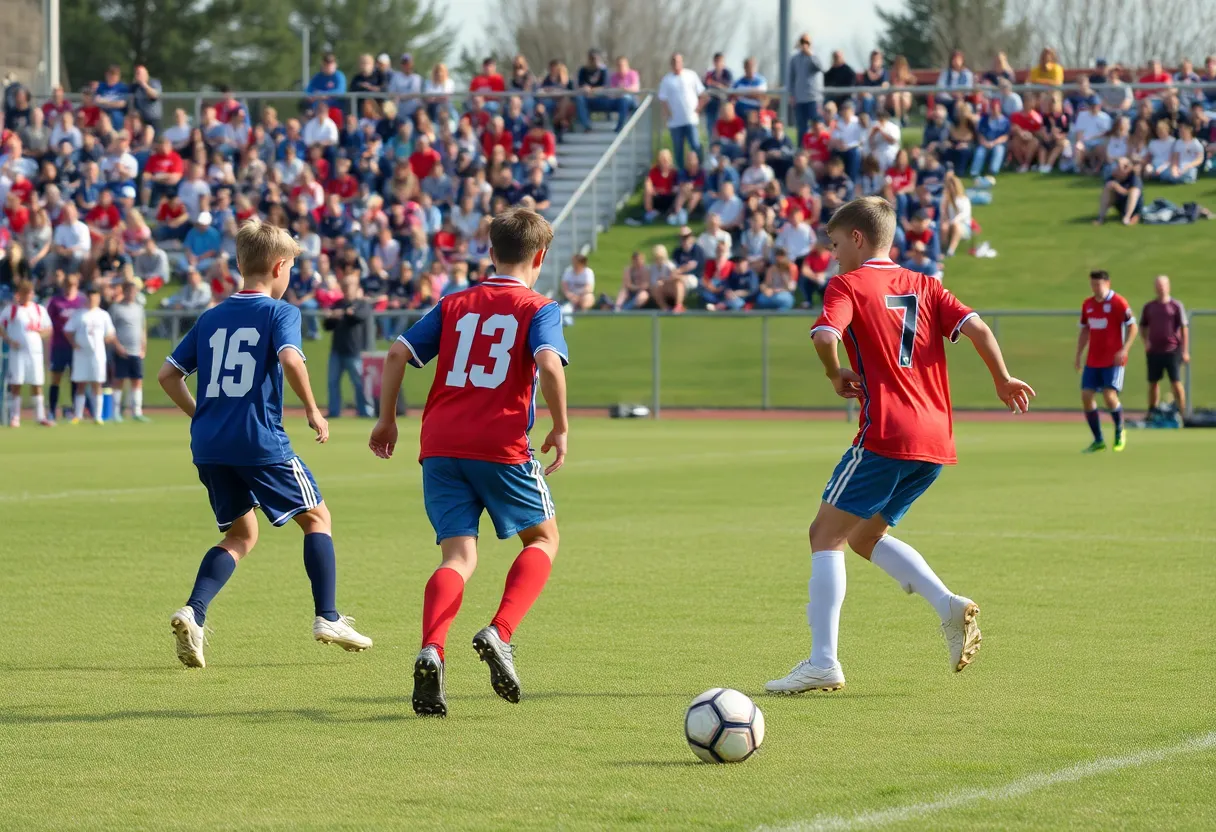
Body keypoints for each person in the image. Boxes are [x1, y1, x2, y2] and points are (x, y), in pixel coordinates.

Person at [765, 196, 1035, 694]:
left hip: (887, 432)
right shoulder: (927, 285)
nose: (833, 254)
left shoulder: (848, 284)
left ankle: (823, 661)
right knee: (864, 538)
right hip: (935, 439)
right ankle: (948, 606)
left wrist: (833, 372)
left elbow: (825, 334)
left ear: (859, 238)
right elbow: (976, 326)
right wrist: (1002, 378)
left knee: (824, 536)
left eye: (836, 243)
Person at [367, 208, 569, 718]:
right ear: (539, 257)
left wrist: (387, 420)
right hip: (500, 445)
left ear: (491, 251)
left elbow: (396, 354)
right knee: (543, 538)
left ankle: (432, 648)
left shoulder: (454, 303)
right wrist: (561, 426)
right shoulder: (538, 307)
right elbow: (547, 363)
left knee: (457, 556)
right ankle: (500, 633)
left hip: (439, 443)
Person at [157, 220, 371, 669]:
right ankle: (328, 616)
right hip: (259, 440)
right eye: (291, 266)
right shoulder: (280, 312)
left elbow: (167, 375)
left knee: (241, 533)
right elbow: (290, 358)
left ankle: (193, 611)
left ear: (239, 264)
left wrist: (202, 415)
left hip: (209, 444)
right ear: (279, 267)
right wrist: (312, 408)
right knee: (317, 518)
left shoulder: (211, 316)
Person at [1075, 270, 1138, 453]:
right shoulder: (1087, 304)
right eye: (1093, 285)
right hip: (1093, 360)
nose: (1096, 288)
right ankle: (1098, 440)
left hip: (1113, 360)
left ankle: (1120, 429)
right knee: (1086, 396)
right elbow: (1085, 330)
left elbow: (1132, 326)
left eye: (1099, 284)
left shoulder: (1118, 302)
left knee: (1109, 396)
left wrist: (1124, 350)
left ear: (1107, 284)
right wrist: (1078, 354)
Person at [2, 279, 53, 427]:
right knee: (16, 383)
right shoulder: (11, 310)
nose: (29, 295)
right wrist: (10, 341)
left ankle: (40, 416)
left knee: (36, 383)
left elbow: (48, 329)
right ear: (20, 293)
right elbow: (1, 326)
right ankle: (15, 417)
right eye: (26, 292)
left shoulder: (39, 309)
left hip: (35, 353)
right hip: (17, 352)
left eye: (31, 292)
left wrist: (39, 334)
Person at [324, 272, 374, 418]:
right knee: (332, 383)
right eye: (344, 285)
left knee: (360, 384)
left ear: (356, 287)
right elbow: (327, 325)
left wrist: (343, 314)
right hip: (337, 350)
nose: (347, 288)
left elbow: (359, 317)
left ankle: (366, 411)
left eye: (349, 285)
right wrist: (339, 314)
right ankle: (334, 411)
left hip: (355, 350)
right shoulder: (338, 304)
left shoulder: (362, 304)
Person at [63, 284, 114, 425]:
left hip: (97, 354)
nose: (92, 300)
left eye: (95, 298)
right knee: (80, 384)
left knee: (97, 383)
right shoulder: (79, 314)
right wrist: (74, 343)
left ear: (98, 299)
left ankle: (97, 416)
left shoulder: (103, 315)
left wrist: (106, 339)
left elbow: (110, 333)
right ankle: (78, 415)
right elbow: (67, 330)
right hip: (81, 354)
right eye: (90, 298)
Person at [1139, 275, 1189, 419]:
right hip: (1154, 351)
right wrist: (1146, 342)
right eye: (1158, 285)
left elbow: (1184, 328)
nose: (1160, 288)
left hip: (1172, 350)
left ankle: (1182, 413)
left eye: (1163, 285)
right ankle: (1152, 412)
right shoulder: (1149, 307)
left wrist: (1185, 351)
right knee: (1153, 383)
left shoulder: (1175, 306)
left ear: (1168, 286)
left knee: (1176, 382)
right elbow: (1142, 326)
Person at [109, 279, 149, 423]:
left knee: (137, 380)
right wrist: (117, 346)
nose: (131, 293)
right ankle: (116, 412)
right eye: (129, 291)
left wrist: (143, 346)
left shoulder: (139, 308)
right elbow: (110, 330)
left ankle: (137, 411)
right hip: (122, 350)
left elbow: (142, 329)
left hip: (136, 350)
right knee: (119, 380)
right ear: (124, 291)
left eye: (134, 291)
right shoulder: (116, 308)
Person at [657, 53, 705, 171]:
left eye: (678, 61)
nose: (676, 64)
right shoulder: (667, 79)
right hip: (675, 122)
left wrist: (698, 108)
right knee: (678, 149)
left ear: (682, 62)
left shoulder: (691, 75)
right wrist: (668, 113)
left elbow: (702, 94)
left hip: (690, 119)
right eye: (674, 61)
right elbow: (662, 98)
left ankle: (699, 171)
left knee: (695, 145)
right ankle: (681, 174)